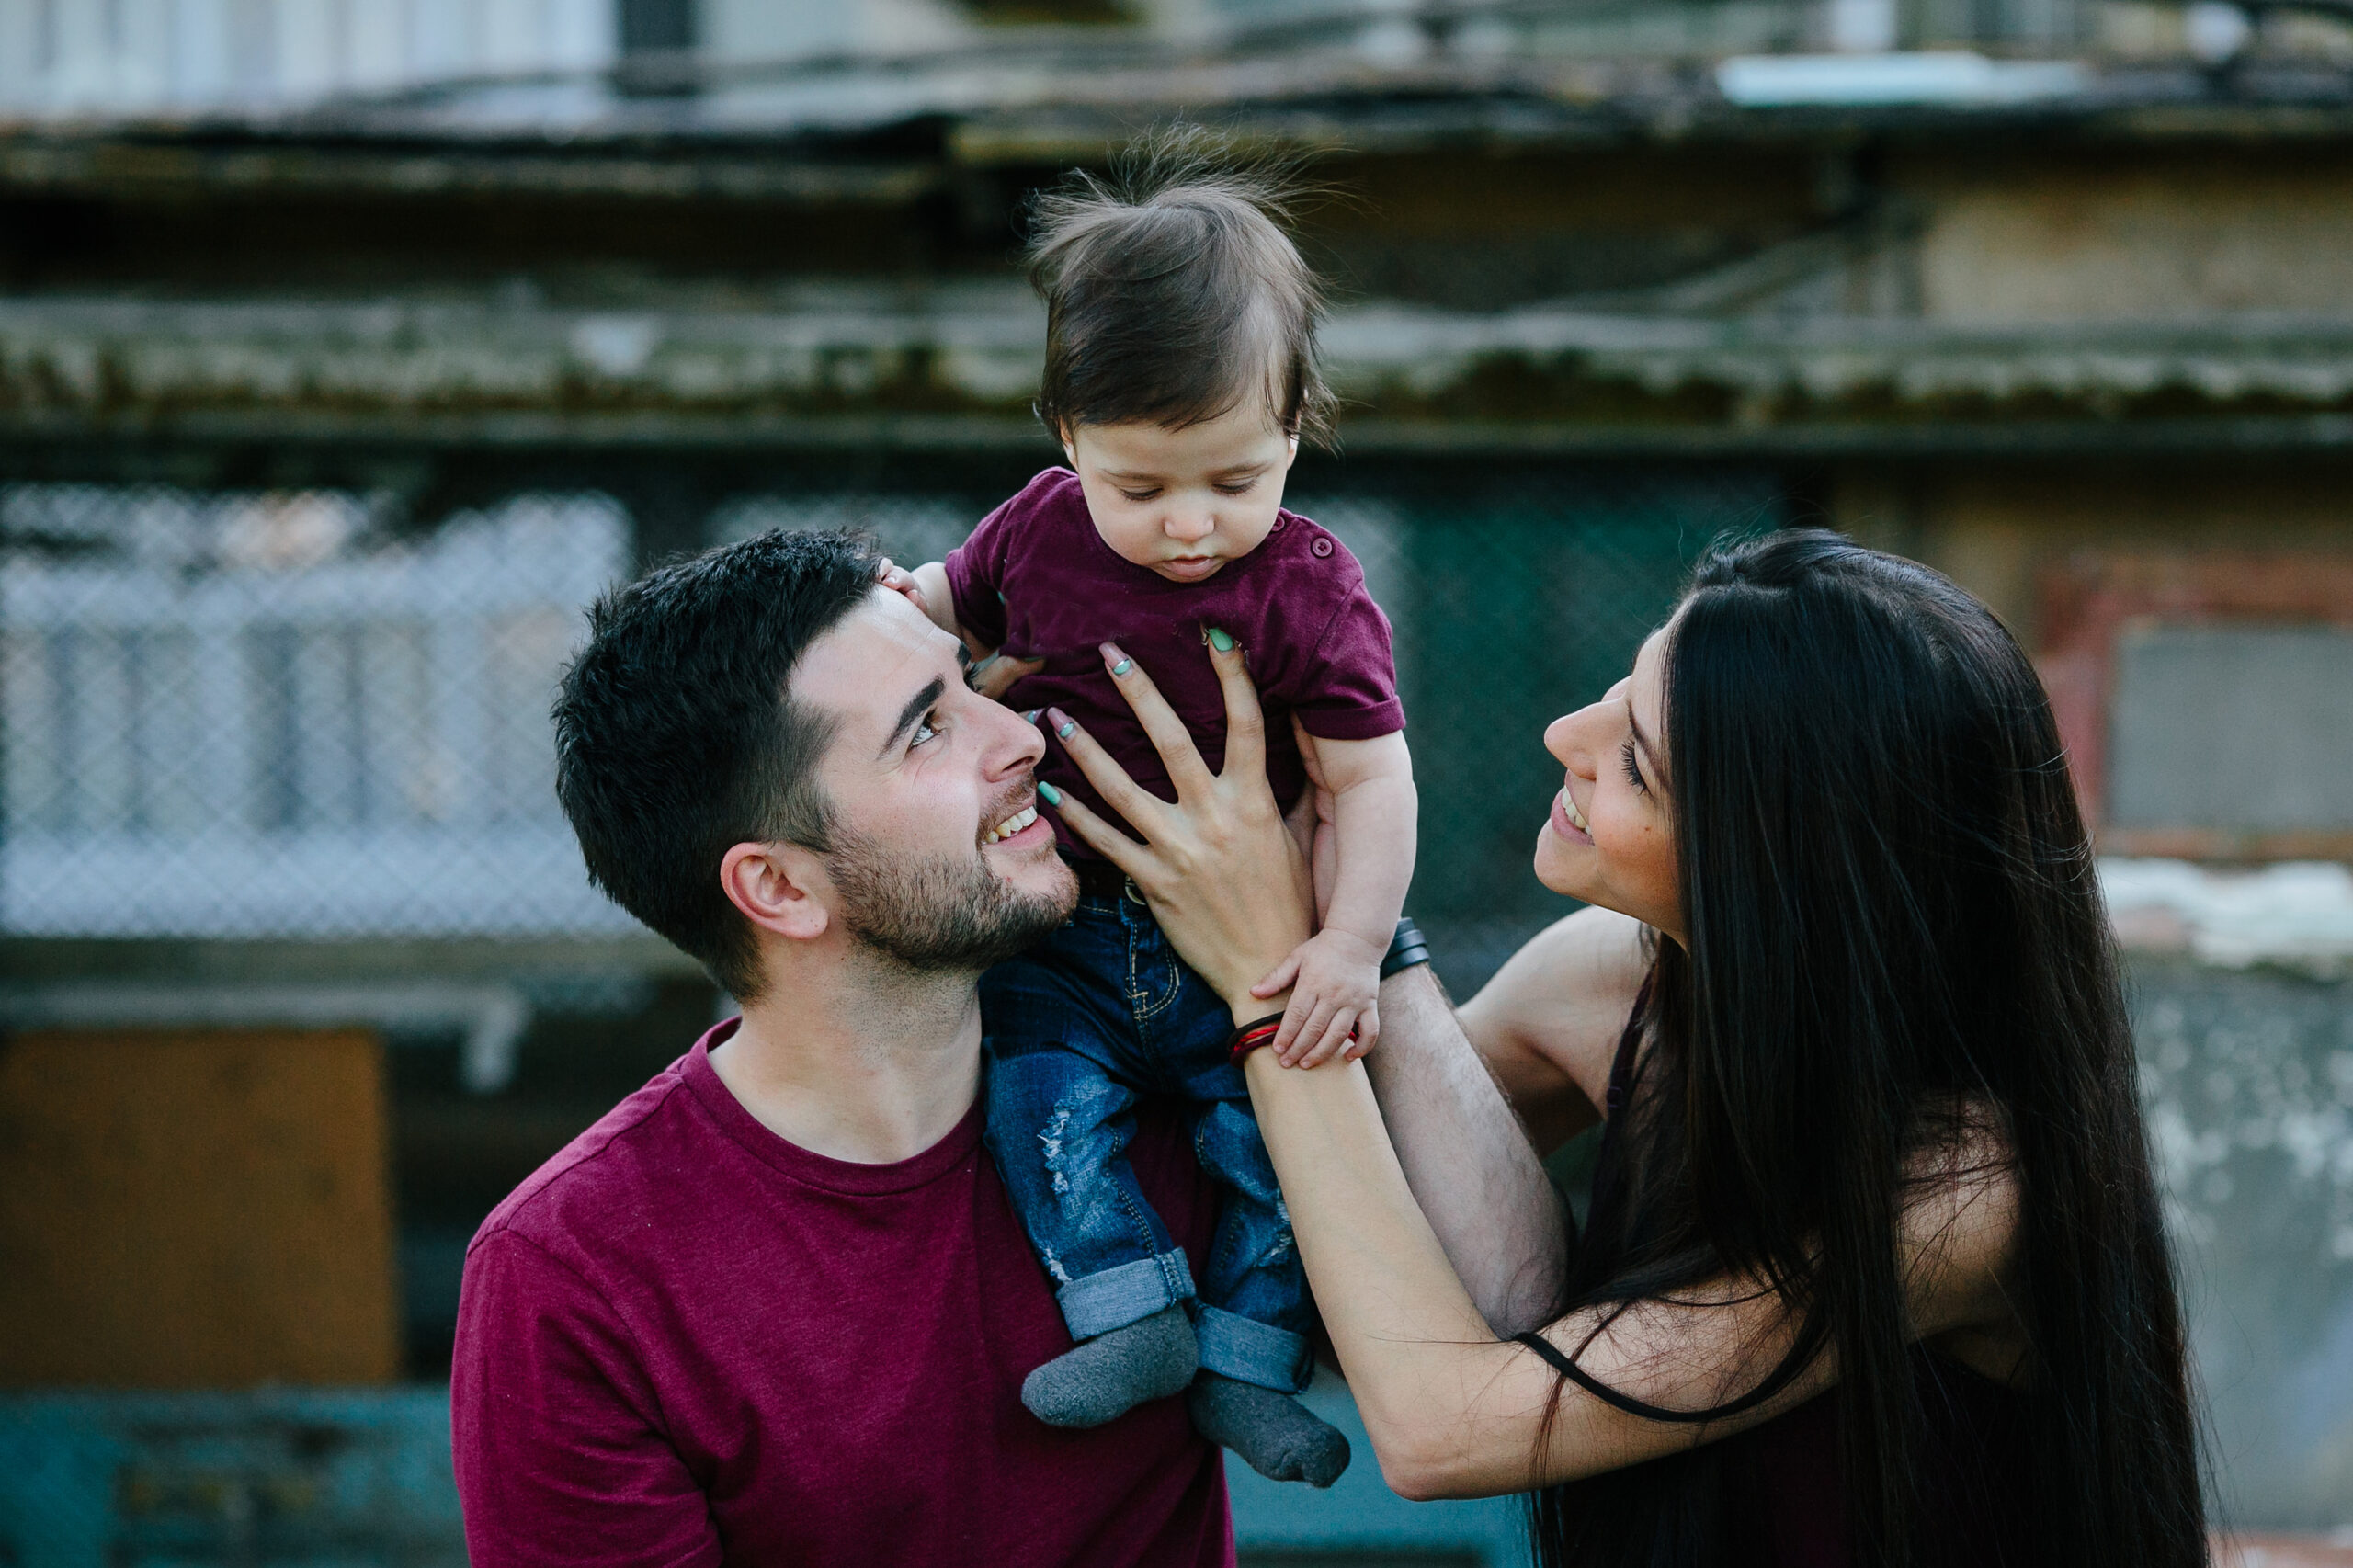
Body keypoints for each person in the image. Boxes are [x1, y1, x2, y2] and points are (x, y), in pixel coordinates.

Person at [1044, 530, 2207, 1568]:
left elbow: (1442, 1423)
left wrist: (1268, 975)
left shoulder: (1960, 1195)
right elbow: (1397, 1239)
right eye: (1620, 686)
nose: (1566, 735)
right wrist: (1346, 922)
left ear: (1775, 873)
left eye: (1638, 762)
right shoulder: (1608, 978)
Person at [448, 528, 1549, 1567]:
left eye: (969, 678)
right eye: (926, 726)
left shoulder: (1172, 1063)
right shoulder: (575, 1278)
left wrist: (1335, 920)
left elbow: (1516, 1313)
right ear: (778, 886)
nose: (1020, 734)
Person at [881, 147, 1414, 1483]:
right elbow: (943, 602)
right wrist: (894, 607)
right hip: (1066, 932)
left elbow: (1372, 781)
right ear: (1068, 442)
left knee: (1276, 1158)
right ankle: (1124, 1313)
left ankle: (1248, 1359)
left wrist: (1347, 949)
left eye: (1237, 480)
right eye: (1143, 486)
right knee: (1037, 1109)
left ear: (1297, 426)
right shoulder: (1042, 531)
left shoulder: (1310, 590)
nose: (1191, 526)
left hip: (1245, 946)